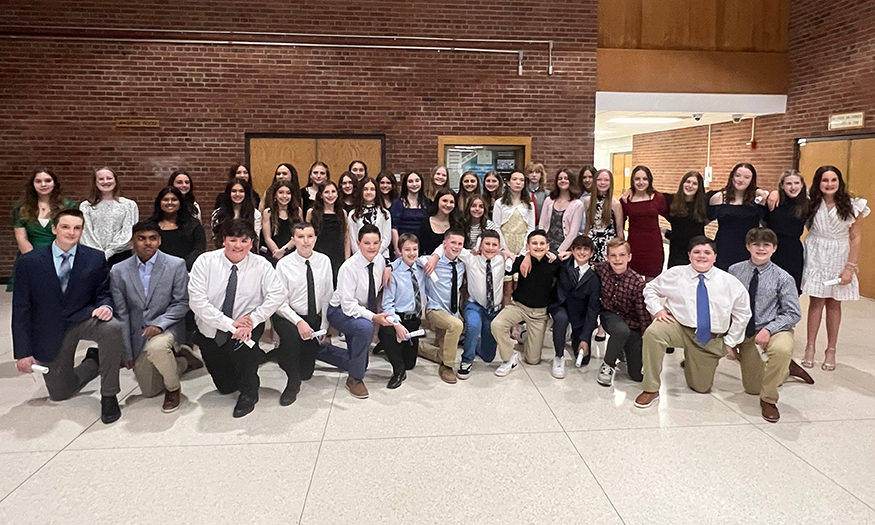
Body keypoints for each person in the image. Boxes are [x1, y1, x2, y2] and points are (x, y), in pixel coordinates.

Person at [12, 209, 124, 424]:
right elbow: (21, 308)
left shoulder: (94, 257)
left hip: (82, 318)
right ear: (54, 229)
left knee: (112, 328)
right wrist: (23, 352)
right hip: (49, 328)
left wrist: (105, 306)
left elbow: (104, 292)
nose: (71, 232)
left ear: (82, 230)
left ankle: (109, 394)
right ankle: (93, 361)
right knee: (60, 393)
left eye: (77, 228)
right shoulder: (30, 262)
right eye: (65, 227)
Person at [187, 219, 289, 418]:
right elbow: (197, 302)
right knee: (225, 387)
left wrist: (253, 319)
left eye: (244, 240)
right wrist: (229, 324)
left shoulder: (261, 264)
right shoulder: (205, 262)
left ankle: (250, 392)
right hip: (212, 327)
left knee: (244, 356)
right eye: (233, 240)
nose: (238, 246)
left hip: (248, 325)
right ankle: (237, 365)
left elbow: (277, 294)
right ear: (223, 241)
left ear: (251, 243)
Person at [634, 236, 751, 409]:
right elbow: (650, 288)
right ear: (689, 255)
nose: (701, 256)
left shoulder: (729, 282)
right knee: (654, 334)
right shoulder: (676, 273)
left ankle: (692, 359)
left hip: (709, 337)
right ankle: (651, 388)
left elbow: (743, 313)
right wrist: (657, 310)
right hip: (679, 327)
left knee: (701, 387)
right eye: (696, 252)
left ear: (715, 257)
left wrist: (730, 342)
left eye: (707, 252)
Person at [110, 221, 202, 413]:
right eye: (141, 239)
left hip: (168, 326)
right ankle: (183, 361)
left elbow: (182, 302)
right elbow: (122, 312)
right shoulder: (118, 270)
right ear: (132, 242)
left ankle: (173, 389)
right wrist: (126, 350)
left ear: (159, 240)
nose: (147, 243)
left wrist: (160, 325)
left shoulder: (175, 265)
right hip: (138, 333)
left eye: (152, 238)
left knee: (157, 347)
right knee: (150, 391)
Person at [728, 227, 810, 422]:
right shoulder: (734, 271)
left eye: (766, 245)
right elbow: (727, 305)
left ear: (774, 248)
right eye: (756, 244)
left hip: (774, 328)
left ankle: (769, 400)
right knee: (752, 388)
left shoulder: (783, 277)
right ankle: (785, 369)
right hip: (747, 330)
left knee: (781, 350)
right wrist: (731, 337)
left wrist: (768, 329)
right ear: (748, 246)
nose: (761, 249)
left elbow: (792, 313)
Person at [801, 165, 870, 371]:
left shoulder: (852, 205)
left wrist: (850, 266)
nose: (829, 184)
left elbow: (856, 237)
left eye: (833, 180)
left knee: (834, 302)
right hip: (816, 252)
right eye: (824, 180)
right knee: (816, 301)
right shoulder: (810, 202)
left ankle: (831, 349)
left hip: (839, 253)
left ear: (839, 182)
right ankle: (810, 347)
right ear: (818, 182)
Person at [272, 222, 338, 403]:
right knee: (292, 340)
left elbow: (327, 295)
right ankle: (292, 383)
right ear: (293, 240)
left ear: (315, 238)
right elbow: (280, 303)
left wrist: (324, 325)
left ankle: (280, 356)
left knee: (307, 372)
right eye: (300, 237)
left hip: (312, 317)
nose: (306, 241)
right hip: (288, 316)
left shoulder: (324, 261)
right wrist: (298, 322)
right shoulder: (284, 265)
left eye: (310, 236)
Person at [327, 224, 394, 399]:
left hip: (361, 311)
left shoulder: (379, 260)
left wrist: (389, 267)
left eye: (375, 243)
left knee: (357, 359)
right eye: (366, 243)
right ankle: (354, 379)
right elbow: (348, 305)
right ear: (358, 243)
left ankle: (318, 350)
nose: (371, 247)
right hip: (339, 311)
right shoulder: (349, 267)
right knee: (365, 328)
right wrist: (374, 317)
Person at [492, 230, 559, 376]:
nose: (538, 246)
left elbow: (572, 262)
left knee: (533, 360)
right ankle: (509, 357)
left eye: (542, 244)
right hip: (519, 307)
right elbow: (505, 265)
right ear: (527, 246)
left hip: (540, 314)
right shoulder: (522, 259)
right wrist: (525, 256)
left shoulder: (553, 263)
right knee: (497, 324)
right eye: (534, 243)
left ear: (547, 246)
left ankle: (524, 336)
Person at [592, 239, 651, 386]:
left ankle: (622, 348)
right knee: (620, 331)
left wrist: (647, 339)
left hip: (632, 323)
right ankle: (608, 365)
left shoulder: (637, 283)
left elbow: (643, 315)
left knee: (636, 375)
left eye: (622, 255)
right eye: (613, 255)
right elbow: (585, 262)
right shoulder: (603, 268)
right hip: (610, 315)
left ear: (629, 257)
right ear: (607, 257)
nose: (617, 259)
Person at [9, 168, 77, 291]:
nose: (43, 184)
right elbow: (21, 238)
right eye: (38, 181)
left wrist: (54, 262)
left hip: (61, 259)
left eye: (48, 180)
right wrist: (35, 261)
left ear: (54, 183)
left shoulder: (68, 206)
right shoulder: (21, 207)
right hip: (30, 259)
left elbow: (70, 235)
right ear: (32, 184)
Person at [378, 233, 428, 388]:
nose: (412, 253)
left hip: (415, 319)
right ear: (399, 251)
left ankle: (389, 348)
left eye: (415, 249)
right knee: (387, 333)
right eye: (407, 250)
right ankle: (398, 371)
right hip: (399, 318)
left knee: (410, 363)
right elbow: (387, 305)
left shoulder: (421, 266)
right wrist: (396, 324)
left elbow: (436, 255)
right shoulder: (393, 273)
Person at [548, 235, 600, 379]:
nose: (582, 253)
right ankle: (559, 356)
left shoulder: (594, 277)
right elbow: (548, 254)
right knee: (561, 319)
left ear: (591, 253)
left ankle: (575, 334)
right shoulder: (564, 263)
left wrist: (585, 337)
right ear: (572, 250)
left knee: (583, 359)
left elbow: (592, 309)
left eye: (586, 250)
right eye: (578, 249)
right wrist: (569, 254)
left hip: (579, 314)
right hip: (561, 305)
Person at [419, 230, 467, 384]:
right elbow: (408, 260)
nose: (456, 247)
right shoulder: (430, 262)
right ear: (444, 244)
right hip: (434, 309)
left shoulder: (463, 264)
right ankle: (447, 367)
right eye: (453, 242)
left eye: (460, 244)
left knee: (444, 351)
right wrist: (389, 268)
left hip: (451, 312)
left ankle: (415, 347)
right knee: (457, 325)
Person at [708, 163, 767, 270]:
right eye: (738, 175)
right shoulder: (719, 198)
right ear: (732, 176)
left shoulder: (758, 200)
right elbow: (702, 221)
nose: (741, 180)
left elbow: (767, 224)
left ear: (752, 180)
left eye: (746, 177)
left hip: (749, 249)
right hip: (724, 247)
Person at [79, 167, 139, 266]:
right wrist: (98, 253)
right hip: (92, 256)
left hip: (121, 255)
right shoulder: (86, 206)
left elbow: (128, 232)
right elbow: (86, 233)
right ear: (95, 182)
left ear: (115, 181)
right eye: (101, 179)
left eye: (109, 178)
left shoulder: (129, 205)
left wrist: (109, 252)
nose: (105, 182)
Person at [765, 169, 808, 293]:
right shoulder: (773, 201)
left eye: (796, 183)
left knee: (791, 292)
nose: (793, 187)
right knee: (770, 291)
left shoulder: (806, 204)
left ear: (802, 185)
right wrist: (773, 193)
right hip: (773, 250)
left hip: (794, 251)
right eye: (789, 183)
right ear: (782, 186)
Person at [621, 165, 667, 278]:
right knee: (633, 280)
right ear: (632, 181)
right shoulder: (626, 200)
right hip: (634, 245)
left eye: (644, 179)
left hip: (653, 246)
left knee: (651, 282)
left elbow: (672, 215)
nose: (641, 182)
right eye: (637, 179)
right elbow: (620, 224)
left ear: (650, 180)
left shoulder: (658, 198)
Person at [149, 186, 206, 271]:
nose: (170, 202)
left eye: (174, 199)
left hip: (187, 271)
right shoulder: (150, 225)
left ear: (180, 203)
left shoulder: (193, 225)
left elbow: (198, 249)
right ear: (159, 203)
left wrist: (181, 267)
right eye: (165, 199)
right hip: (158, 271)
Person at [306, 180, 350, 285]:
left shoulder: (342, 213)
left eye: (333, 192)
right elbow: (307, 235)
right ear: (321, 195)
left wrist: (347, 259)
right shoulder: (311, 212)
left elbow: (346, 237)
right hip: (318, 253)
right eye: (326, 192)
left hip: (337, 255)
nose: (330, 195)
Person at [663, 171, 709, 268]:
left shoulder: (704, 203)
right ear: (682, 183)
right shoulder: (671, 200)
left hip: (697, 249)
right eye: (688, 182)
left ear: (699, 187)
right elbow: (650, 193)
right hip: (677, 249)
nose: (690, 186)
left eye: (695, 183)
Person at [581, 168, 624, 263]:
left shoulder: (615, 204)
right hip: (591, 242)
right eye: (599, 180)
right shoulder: (587, 201)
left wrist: (620, 251)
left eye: (606, 180)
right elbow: (587, 226)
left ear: (611, 182)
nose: (602, 183)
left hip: (608, 244)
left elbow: (620, 231)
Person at [538, 168, 584, 254]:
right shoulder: (549, 200)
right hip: (545, 248)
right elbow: (542, 225)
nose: (563, 181)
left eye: (566, 178)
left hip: (563, 250)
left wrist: (559, 252)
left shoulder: (577, 204)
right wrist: (541, 245)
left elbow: (573, 233)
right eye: (560, 178)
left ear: (571, 181)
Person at [348, 177, 392, 260]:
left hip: (381, 257)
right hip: (360, 258)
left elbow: (386, 238)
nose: (369, 192)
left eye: (372, 189)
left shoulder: (385, 213)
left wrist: (374, 254)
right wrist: (362, 256)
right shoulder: (353, 214)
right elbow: (353, 239)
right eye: (365, 189)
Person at [211, 177, 261, 249]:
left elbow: (256, 240)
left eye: (241, 191)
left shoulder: (255, 214)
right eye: (234, 191)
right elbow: (216, 239)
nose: (237, 194)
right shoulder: (217, 214)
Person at [261, 180, 302, 266]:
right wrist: (278, 253)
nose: (284, 196)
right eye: (280, 192)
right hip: (273, 254)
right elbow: (267, 238)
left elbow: (300, 234)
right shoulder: (268, 212)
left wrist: (283, 251)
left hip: (292, 254)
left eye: (288, 193)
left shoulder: (297, 211)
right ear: (275, 195)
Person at [390, 170, 429, 255]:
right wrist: (398, 250)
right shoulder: (397, 203)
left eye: (417, 181)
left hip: (422, 247)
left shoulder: (428, 203)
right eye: (410, 181)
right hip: (403, 247)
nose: (414, 184)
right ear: (405, 184)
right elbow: (394, 228)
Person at [419, 187, 458, 256]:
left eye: (451, 202)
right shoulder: (425, 223)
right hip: (429, 264)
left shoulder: (457, 224)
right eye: (444, 201)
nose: (448, 205)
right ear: (437, 201)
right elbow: (421, 249)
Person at [576, 164, 596, 236]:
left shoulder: (600, 197)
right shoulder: (576, 197)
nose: (587, 180)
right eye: (584, 177)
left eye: (590, 177)